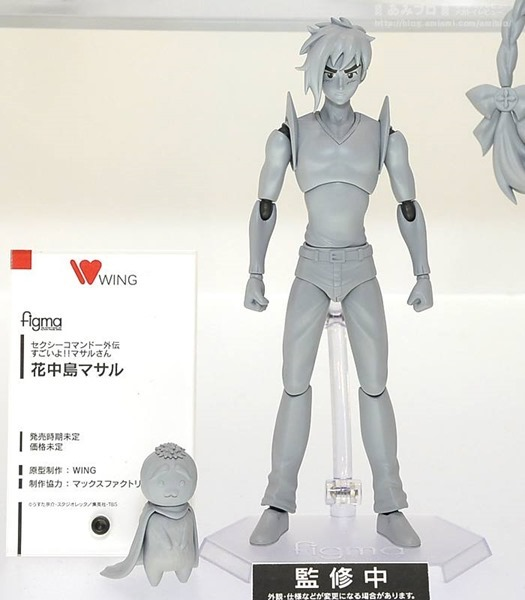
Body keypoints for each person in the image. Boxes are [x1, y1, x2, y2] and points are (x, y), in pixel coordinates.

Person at [244, 17, 433, 548]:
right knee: (294, 382)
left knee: (374, 384)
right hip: (310, 265)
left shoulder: (384, 137)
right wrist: (255, 272)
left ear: (363, 73)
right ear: (315, 71)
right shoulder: (290, 136)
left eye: (351, 71)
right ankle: (278, 500)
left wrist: (422, 272)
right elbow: (264, 204)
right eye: (331, 70)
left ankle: (389, 503)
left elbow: (408, 205)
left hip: (359, 266)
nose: (341, 80)